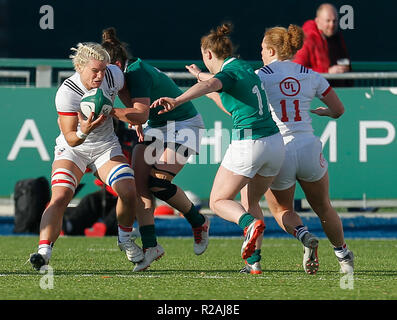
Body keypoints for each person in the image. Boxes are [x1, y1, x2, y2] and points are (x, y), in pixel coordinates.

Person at [151, 23, 285, 272]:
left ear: (208, 54)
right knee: (251, 200)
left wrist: (178, 99)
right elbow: (218, 88)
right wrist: (200, 75)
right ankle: (253, 263)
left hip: (250, 141)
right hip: (275, 144)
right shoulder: (244, 67)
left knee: (219, 201)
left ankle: (248, 225)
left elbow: (213, 84)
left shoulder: (228, 74)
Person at [101, 27, 210, 272]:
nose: (100, 76)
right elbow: (140, 115)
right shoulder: (115, 76)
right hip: (155, 126)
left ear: (117, 64)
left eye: (103, 70)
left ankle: (199, 221)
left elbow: (139, 111)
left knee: (159, 183)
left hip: (184, 125)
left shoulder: (136, 72)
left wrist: (109, 111)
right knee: (139, 186)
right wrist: (139, 122)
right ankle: (151, 247)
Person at [29, 42, 144, 270]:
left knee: (129, 191)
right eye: (95, 71)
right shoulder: (67, 92)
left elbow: (129, 99)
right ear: (80, 67)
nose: (100, 75)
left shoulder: (113, 75)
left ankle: (125, 240)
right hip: (74, 149)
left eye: (104, 69)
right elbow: (71, 137)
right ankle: (44, 251)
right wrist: (85, 130)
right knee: (60, 196)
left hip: (105, 146)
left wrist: (133, 117)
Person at [251, 24, 354, 274]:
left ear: (272, 50)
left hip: (279, 149)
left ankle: (304, 235)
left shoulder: (259, 75)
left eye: (263, 49)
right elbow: (339, 110)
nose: (261, 53)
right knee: (324, 207)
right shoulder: (311, 74)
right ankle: (343, 256)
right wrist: (325, 112)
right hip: (308, 147)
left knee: (281, 209)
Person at [293, 3, 352, 86]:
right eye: (328, 21)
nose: (331, 25)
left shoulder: (337, 38)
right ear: (317, 21)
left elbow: (346, 65)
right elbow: (296, 70)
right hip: (312, 93)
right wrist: (327, 72)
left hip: (337, 92)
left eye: (334, 21)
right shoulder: (306, 39)